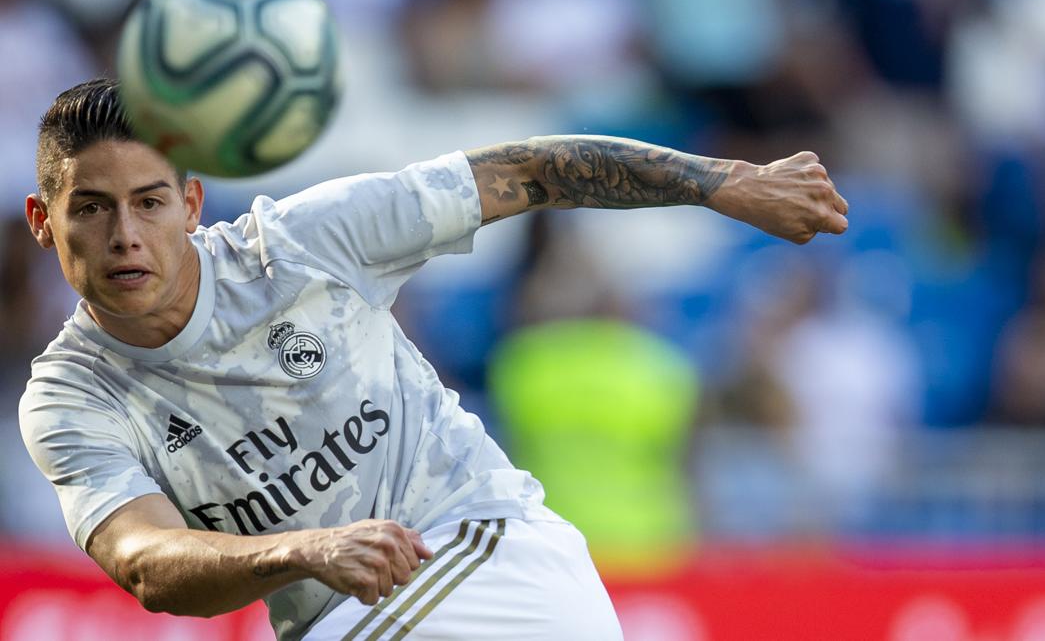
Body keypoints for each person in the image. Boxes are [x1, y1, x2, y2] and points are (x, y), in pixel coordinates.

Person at [18, 78, 849, 640]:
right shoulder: (71, 396)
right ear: (43, 222)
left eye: (149, 202)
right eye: (91, 208)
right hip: (336, 617)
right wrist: (306, 550)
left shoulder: (303, 244)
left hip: (477, 545)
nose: (125, 235)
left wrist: (724, 182)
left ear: (191, 204)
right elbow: (144, 560)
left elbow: (528, 172)